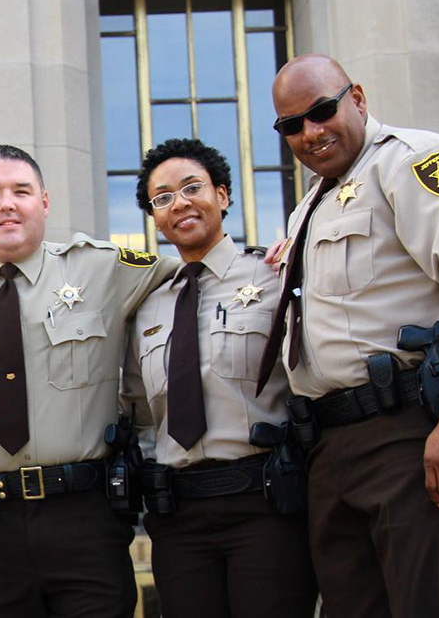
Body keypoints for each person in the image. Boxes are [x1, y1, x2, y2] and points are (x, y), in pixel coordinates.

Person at [0, 144, 176, 617]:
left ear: (44, 202)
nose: (7, 203)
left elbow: (193, 273)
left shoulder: (103, 268)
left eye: (21, 191)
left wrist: (270, 259)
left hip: (85, 518)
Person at [262, 53, 439, 616]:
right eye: (291, 125)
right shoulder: (310, 205)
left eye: (322, 111)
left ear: (358, 97)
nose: (311, 132)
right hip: (331, 445)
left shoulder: (414, 162)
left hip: (407, 436)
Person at [121, 138, 317, 617]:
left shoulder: (275, 276)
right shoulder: (146, 305)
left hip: (264, 505)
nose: (180, 204)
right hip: (178, 515)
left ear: (223, 195)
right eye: (162, 198)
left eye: (192, 188)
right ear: (154, 216)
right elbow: (139, 410)